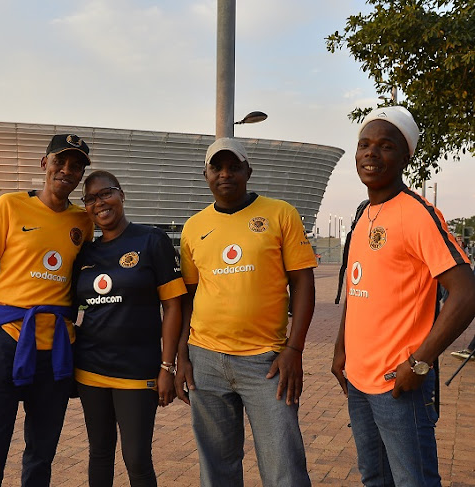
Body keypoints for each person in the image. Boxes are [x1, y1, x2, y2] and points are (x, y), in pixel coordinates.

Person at [331, 106, 475, 486]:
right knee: (374, 477)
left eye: (385, 146)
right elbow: (357, 287)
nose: (371, 154)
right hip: (359, 380)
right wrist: (340, 348)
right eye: (364, 144)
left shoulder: (418, 214)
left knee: (415, 481)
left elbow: (466, 293)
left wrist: (421, 363)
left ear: (405, 156)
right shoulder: (364, 213)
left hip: (399, 381)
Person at [174, 138, 316, 487]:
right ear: (205, 174)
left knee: (284, 467)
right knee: (217, 469)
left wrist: (294, 349)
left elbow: (303, 284)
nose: (225, 174)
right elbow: (188, 298)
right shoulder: (193, 227)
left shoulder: (280, 213)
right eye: (216, 168)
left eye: (234, 167)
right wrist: (182, 356)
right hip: (205, 360)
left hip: (267, 363)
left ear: (248, 171)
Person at [0, 133, 94, 487]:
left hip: (58, 349)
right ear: (44, 163)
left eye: (76, 166)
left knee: (42, 450)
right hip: (5, 341)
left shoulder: (83, 222)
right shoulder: (10, 206)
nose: (67, 170)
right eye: (60, 161)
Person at [72, 170, 185, 487]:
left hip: (138, 370)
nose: (99, 203)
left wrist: (167, 366)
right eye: (91, 199)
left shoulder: (151, 240)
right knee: (100, 454)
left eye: (105, 193)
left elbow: (173, 305)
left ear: (121, 194)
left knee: (136, 458)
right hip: (90, 368)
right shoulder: (86, 253)